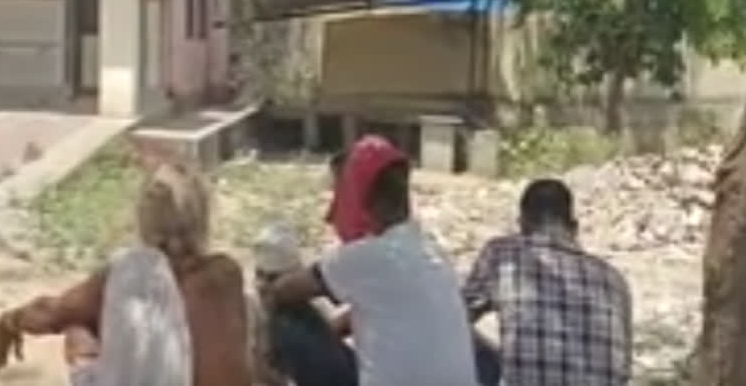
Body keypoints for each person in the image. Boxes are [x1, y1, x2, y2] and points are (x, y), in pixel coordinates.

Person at [0, 160, 253, 386]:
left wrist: (9, 322)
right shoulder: (226, 275)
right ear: (202, 218)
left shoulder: (128, 273)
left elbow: (51, 313)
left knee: (78, 327)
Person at [262, 135, 478, 386]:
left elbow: (284, 291)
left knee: (284, 315)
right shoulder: (429, 249)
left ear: (358, 196)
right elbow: (375, 311)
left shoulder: (366, 256)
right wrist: (330, 332)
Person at [463, 178, 633, 385]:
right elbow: (623, 371)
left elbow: (454, 319)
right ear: (574, 228)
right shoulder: (614, 280)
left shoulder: (503, 255)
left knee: (470, 343)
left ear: (522, 224)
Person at [248, 223, 358, 386]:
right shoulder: (302, 318)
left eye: (272, 278)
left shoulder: (288, 325)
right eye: (260, 275)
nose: (263, 285)